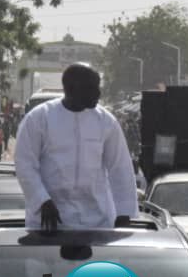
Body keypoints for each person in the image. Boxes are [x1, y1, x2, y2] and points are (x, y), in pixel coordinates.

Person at [14, 63, 137, 232]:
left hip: (97, 223)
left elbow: (120, 167)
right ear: (71, 89)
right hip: (48, 223)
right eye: (92, 88)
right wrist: (42, 201)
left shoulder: (106, 121)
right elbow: (25, 164)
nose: (99, 93)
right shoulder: (39, 118)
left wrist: (124, 213)